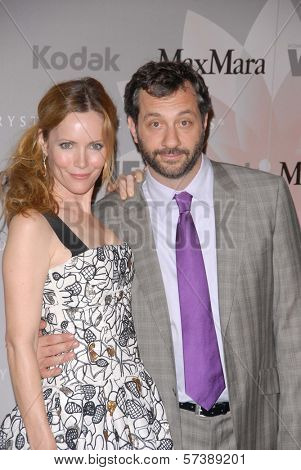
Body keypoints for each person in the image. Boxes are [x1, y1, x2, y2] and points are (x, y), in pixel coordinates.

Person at [36, 62, 301, 450]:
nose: (171, 139)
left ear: (206, 121)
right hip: (154, 431)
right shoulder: (107, 218)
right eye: (155, 123)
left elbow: (293, 327)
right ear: (132, 128)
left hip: (255, 426)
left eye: (185, 121)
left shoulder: (266, 197)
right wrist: (43, 348)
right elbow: (89, 324)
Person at [0, 77, 173, 450]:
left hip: (132, 413)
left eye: (95, 146)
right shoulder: (33, 224)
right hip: (68, 420)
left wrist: (140, 182)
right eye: (67, 145)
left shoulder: (104, 221)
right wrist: (43, 445)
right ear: (44, 143)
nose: (82, 162)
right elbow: (18, 343)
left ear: (109, 148)